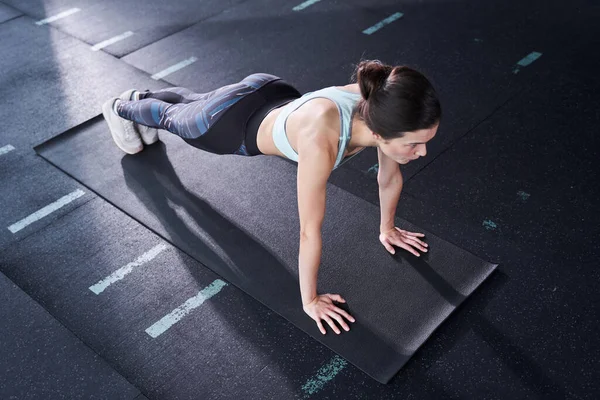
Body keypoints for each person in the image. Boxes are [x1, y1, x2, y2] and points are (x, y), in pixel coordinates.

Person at [102, 59, 441, 336]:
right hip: (228, 124)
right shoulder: (320, 141)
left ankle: (140, 95)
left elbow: (388, 175)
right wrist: (309, 300)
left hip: (269, 91)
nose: (422, 152)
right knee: (172, 118)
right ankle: (119, 107)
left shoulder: (381, 101)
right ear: (382, 133)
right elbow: (309, 229)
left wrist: (388, 228)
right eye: (414, 143)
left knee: (194, 100)